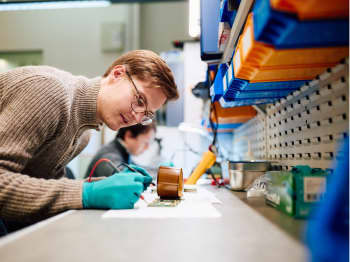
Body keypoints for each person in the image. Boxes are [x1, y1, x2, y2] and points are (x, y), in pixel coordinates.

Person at [0, 50, 178, 233]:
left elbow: (38, 184)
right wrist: (88, 192)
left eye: (146, 115)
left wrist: (105, 186)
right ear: (118, 74)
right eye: (139, 100)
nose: (137, 116)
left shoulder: (84, 133)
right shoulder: (50, 92)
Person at [85, 123, 156, 178]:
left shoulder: (123, 152)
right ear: (128, 135)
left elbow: (140, 169)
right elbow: (124, 176)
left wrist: (160, 171)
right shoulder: (108, 155)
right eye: (146, 143)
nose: (147, 148)